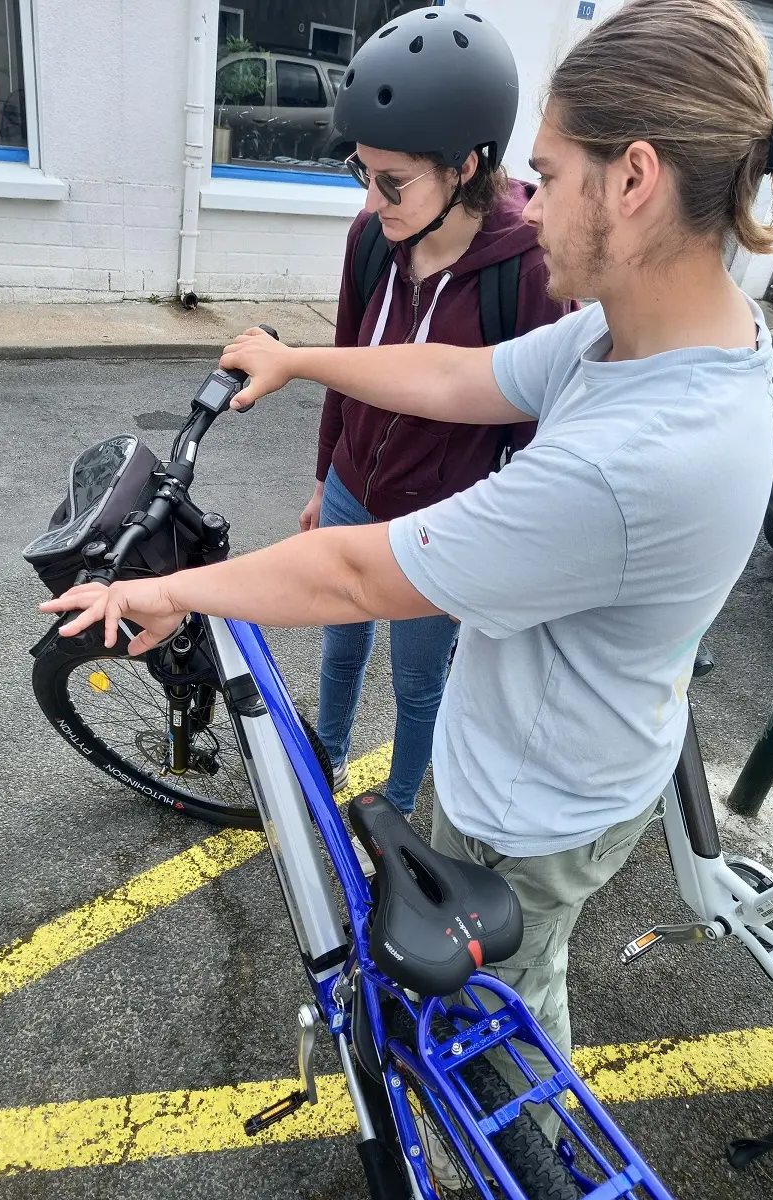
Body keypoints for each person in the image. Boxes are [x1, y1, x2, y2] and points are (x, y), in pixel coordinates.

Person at [42, 0, 773, 1140]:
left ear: (632, 179)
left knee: (508, 1023)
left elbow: (356, 578)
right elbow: (461, 376)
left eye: (550, 171)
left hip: (540, 804)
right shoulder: (643, 331)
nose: (532, 212)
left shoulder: (639, 457)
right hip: (555, 746)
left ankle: (526, 1160)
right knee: (513, 987)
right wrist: (295, 363)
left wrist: (163, 590)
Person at [302, 10, 572, 834]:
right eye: (362, 172)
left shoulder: (526, 272)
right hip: (354, 484)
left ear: (466, 167)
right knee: (339, 644)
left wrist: (496, 552)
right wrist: (324, 479)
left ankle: (400, 805)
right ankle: (324, 762)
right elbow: (347, 363)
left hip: (440, 518)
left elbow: (532, 438)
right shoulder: (371, 239)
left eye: (393, 181)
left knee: (422, 682)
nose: (371, 197)